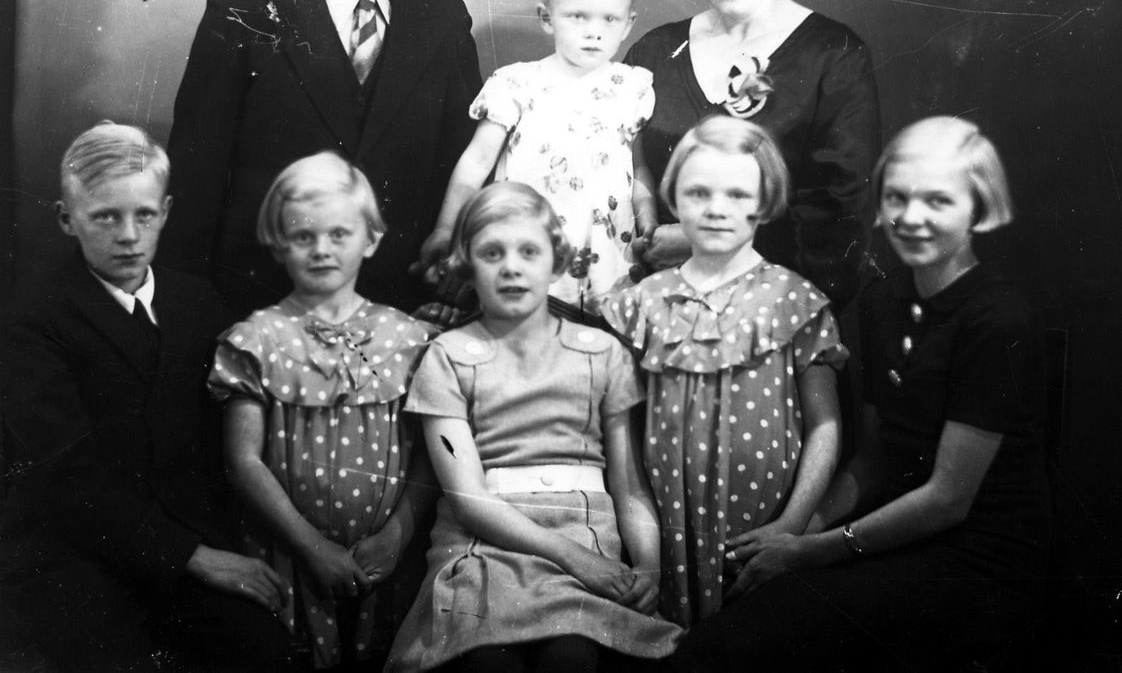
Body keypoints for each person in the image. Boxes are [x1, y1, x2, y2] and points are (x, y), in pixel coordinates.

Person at [667, 117, 1051, 671]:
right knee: (725, 632)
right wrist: (793, 531)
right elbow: (872, 460)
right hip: (890, 536)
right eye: (897, 197)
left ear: (979, 208)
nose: (911, 217)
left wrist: (809, 551)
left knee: (745, 647)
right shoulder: (883, 301)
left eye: (938, 201)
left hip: (981, 560)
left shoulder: (996, 318)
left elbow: (948, 497)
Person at [161, 0, 481, 316]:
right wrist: (191, 316)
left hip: (403, 312)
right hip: (259, 309)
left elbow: (462, 169)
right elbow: (194, 183)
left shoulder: (444, 21)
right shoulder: (243, 10)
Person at [0, 122, 293, 672]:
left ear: (167, 211)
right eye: (105, 217)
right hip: (76, 554)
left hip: (187, 537)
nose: (129, 236)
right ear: (66, 218)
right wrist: (194, 558)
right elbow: (66, 479)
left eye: (145, 214)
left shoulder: (198, 301)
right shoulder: (34, 320)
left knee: (267, 652)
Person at [387, 182, 682, 672]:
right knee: (488, 663)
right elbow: (469, 498)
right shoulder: (447, 356)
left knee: (571, 657)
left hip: (586, 538)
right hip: (483, 546)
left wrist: (648, 566)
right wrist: (575, 560)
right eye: (492, 253)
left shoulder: (602, 353)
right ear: (467, 266)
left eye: (528, 251)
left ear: (557, 261)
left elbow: (629, 486)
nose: (511, 267)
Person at [601, 116, 845, 627]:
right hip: (669, 537)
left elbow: (826, 425)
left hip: (766, 533)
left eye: (737, 194)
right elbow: (624, 459)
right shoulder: (639, 306)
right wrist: (646, 558)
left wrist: (792, 524)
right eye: (699, 192)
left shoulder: (794, 300)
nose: (716, 208)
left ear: (766, 200)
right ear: (674, 197)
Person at [208, 152, 435, 669]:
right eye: (303, 236)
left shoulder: (407, 338)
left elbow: (431, 455)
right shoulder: (257, 340)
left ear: (370, 239)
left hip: (387, 559)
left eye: (338, 234)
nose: (321, 249)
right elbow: (243, 461)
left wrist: (397, 535)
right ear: (278, 242)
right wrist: (312, 546)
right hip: (291, 553)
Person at [624, 0, 880, 308]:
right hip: (655, 312)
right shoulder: (654, 52)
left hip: (776, 315)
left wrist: (705, 242)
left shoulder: (834, 55)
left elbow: (841, 223)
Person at [417, 0, 657, 320]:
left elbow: (637, 166)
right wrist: (447, 229)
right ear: (547, 18)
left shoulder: (633, 87)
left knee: (599, 344)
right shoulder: (516, 84)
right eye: (578, 17)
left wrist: (648, 220)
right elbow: (476, 163)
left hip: (609, 256)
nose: (594, 33)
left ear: (628, 23)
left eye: (609, 20)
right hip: (527, 250)